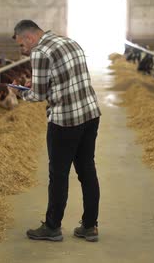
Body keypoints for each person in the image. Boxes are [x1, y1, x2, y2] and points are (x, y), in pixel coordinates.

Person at [12, 20, 102, 242]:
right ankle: (90, 226)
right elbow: (67, 79)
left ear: (29, 38)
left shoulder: (40, 53)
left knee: (59, 175)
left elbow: (38, 95)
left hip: (65, 121)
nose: (23, 51)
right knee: (87, 170)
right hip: (90, 114)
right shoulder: (69, 42)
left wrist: (20, 93)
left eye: (22, 46)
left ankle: (52, 227)